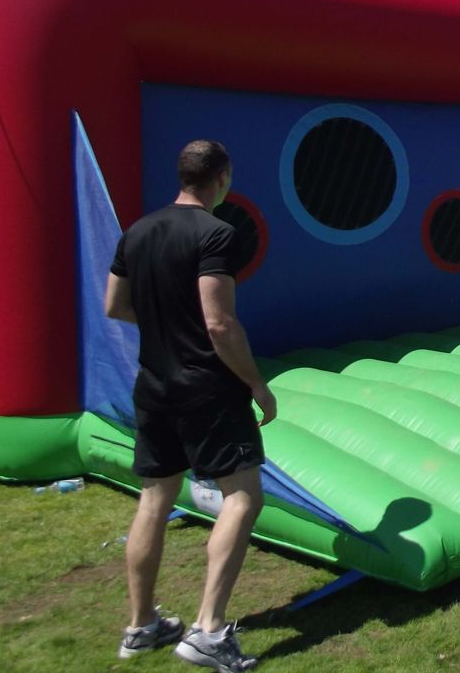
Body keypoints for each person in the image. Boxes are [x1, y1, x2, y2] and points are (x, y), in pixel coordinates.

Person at [106, 140, 277, 670]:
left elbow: (115, 304)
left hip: (154, 386)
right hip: (207, 388)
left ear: (181, 176)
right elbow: (219, 323)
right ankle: (207, 631)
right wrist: (256, 383)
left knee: (155, 499)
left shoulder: (137, 231)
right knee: (243, 497)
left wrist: (164, 326)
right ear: (221, 178)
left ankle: (141, 626)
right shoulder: (216, 233)